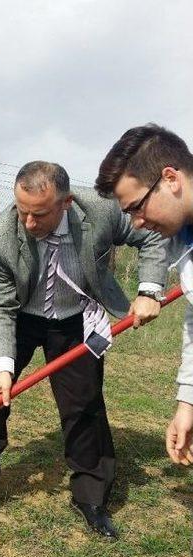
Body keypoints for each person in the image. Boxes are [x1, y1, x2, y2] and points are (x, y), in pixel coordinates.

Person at [0, 161, 168, 538]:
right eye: (22, 211)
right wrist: (3, 366)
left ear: (66, 203)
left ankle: (90, 496)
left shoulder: (101, 211)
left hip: (75, 318)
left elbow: (152, 236)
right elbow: (1, 308)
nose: (28, 223)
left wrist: (150, 288)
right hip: (18, 316)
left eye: (39, 214)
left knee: (84, 404)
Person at [95, 123, 193, 468]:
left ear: (170, 179)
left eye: (137, 207)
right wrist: (188, 403)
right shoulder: (183, 237)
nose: (135, 223)